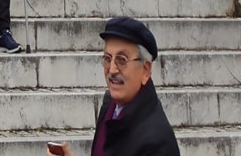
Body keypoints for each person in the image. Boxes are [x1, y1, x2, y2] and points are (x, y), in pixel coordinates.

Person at [49, 18, 180, 156]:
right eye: (107, 58)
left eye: (121, 60)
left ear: (146, 70)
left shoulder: (157, 143)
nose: (112, 70)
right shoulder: (110, 106)